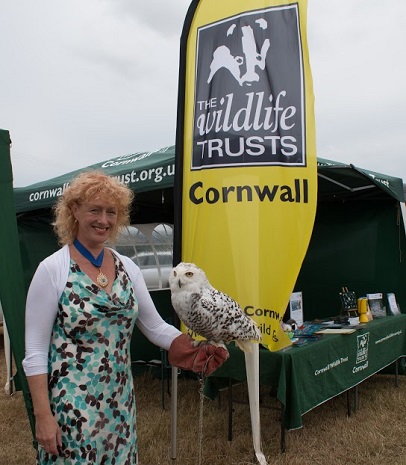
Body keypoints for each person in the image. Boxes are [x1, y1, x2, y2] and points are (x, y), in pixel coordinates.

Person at [22, 171, 228, 464]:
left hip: (119, 401)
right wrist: (43, 415)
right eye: (95, 210)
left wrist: (190, 347)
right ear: (74, 211)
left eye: (111, 212)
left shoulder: (127, 267)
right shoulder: (52, 270)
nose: (103, 220)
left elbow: (155, 326)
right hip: (71, 406)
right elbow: (35, 352)